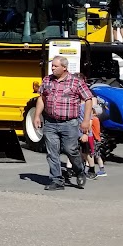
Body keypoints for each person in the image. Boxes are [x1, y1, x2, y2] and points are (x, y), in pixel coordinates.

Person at [34, 56, 93, 191]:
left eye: (55, 66)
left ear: (64, 68)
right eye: (52, 66)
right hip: (50, 122)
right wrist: (37, 116)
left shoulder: (76, 82)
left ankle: (79, 171)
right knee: (52, 152)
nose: (53, 68)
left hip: (69, 123)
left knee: (70, 150)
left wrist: (85, 121)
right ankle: (57, 180)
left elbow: (88, 99)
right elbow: (42, 99)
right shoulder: (47, 80)